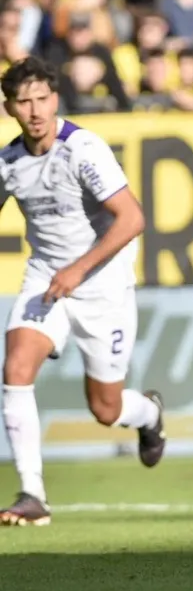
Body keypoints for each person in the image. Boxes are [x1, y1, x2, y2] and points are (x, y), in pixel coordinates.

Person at [0, 57, 165, 526]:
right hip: (45, 280)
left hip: (103, 285)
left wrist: (78, 269)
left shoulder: (82, 149)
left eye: (41, 99)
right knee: (15, 367)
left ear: (54, 99)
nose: (33, 110)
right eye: (22, 101)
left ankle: (148, 414)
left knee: (106, 409)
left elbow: (132, 218)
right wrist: (62, 273)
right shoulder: (9, 162)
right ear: (9, 107)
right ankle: (32, 495)